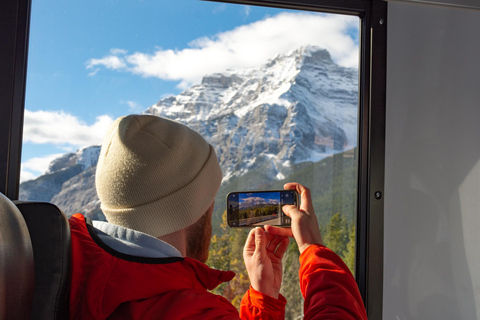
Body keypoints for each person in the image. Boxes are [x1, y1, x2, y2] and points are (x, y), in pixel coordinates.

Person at [68, 114, 367, 319]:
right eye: (211, 200)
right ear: (194, 210)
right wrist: (314, 250)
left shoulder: (61, 260)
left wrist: (263, 297)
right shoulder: (190, 311)